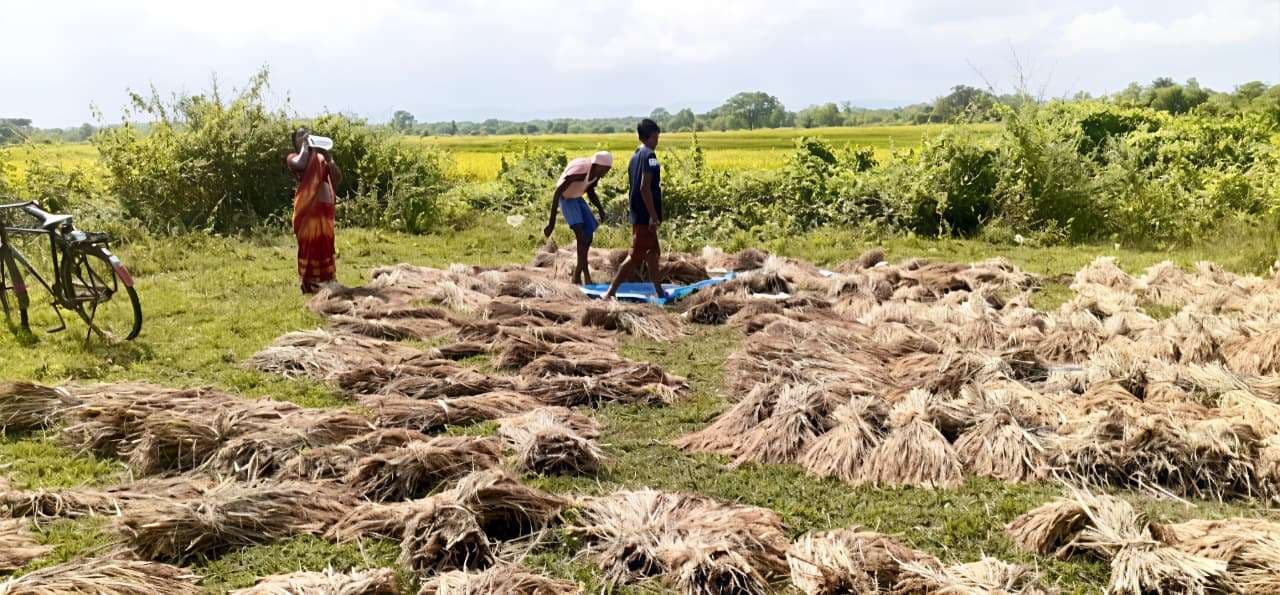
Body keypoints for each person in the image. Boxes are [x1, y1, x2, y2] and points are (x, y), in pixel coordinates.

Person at [604, 119, 666, 300]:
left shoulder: (634, 157)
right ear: (649, 137)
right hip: (646, 216)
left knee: (653, 253)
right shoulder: (651, 157)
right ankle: (610, 292)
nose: (657, 141)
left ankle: (659, 291)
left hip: (637, 212)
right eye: (656, 137)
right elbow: (644, 188)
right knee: (636, 256)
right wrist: (653, 216)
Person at [286, 127, 343, 294]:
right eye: (300, 136)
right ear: (295, 142)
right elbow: (301, 163)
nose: (304, 137)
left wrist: (329, 158)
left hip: (323, 212)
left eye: (307, 134)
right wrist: (306, 145)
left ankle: (327, 279)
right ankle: (309, 283)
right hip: (307, 212)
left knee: (325, 244)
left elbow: (337, 178)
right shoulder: (293, 158)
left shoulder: (320, 158)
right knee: (309, 245)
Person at [543, 151, 612, 284]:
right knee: (581, 237)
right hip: (566, 199)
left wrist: (600, 208)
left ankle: (579, 276)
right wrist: (551, 223)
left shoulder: (596, 174)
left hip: (577, 197)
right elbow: (558, 192)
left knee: (589, 236)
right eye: (606, 169)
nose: (607, 172)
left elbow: (590, 191)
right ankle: (582, 277)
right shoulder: (580, 172)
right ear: (599, 165)